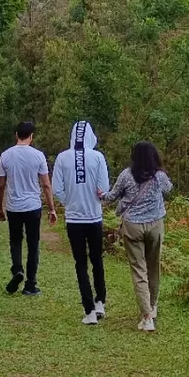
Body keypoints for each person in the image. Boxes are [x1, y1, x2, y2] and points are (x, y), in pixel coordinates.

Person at [104, 140, 172, 332]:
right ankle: (154, 306)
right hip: (155, 224)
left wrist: (101, 195)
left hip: (132, 226)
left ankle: (147, 316)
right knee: (154, 266)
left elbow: (112, 196)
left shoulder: (127, 175)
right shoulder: (159, 176)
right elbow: (169, 189)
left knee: (138, 270)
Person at [51, 120, 110, 326]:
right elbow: (104, 188)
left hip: (74, 219)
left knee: (80, 263)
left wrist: (69, 202)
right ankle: (100, 301)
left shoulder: (62, 158)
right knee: (97, 260)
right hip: (94, 217)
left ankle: (89, 311)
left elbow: (57, 188)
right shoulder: (98, 157)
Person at [0, 120, 56, 296]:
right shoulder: (38, 156)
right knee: (33, 244)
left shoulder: (5, 156)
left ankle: (17, 270)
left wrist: (0, 208)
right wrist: (52, 208)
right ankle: (30, 284)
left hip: (13, 206)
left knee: (15, 240)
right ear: (31, 136)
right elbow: (46, 184)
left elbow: (0, 185)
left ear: (16, 135)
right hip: (32, 206)